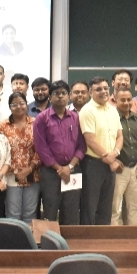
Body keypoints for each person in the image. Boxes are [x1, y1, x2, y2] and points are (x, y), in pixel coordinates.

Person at [33, 80, 85, 225]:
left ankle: (70, 240)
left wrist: (69, 167)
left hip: (73, 170)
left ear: (68, 96)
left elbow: (82, 146)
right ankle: (49, 239)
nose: (60, 96)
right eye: (56, 93)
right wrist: (59, 169)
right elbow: (41, 148)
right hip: (51, 172)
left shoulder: (76, 118)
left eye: (63, 93)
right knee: (50, 211)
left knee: (72, 212)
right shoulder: (41, 118)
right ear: (50, 97)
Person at [79, 76, 124, 225]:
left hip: (110, 164)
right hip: (93, 164)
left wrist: (115, 154)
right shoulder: (87, 110)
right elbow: (90, 140)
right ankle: (87, 238)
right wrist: (110, 159)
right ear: (90, 92)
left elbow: (120, 136)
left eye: (105, 88)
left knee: (106, 207)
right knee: (90, 207)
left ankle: (102, 238)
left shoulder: (113, 110)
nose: (103, 91)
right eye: (98, 89)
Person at [0, 93, 41, 225]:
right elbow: (0, 151)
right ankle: (13, 238)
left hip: (33, 174)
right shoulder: (2, 126)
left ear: (27, 104)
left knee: (30, 213)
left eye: (22, 103)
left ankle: (29, 238)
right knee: (13, 214)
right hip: (11, 175)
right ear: (9, 107)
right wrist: (15, 170)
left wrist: (30, 168)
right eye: (14, 104)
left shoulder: (36, 123)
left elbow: (42, 148)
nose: (19, 107)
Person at [112, 88, 137, 226]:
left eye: (129, 100)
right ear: (115, 100)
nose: (126, 103)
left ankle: (135, 237)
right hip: (118, 169)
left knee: (136, 206)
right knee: (115, 207)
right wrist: (113, 160)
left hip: (135, 168)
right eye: (122, 100)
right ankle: (115, 237)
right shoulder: (111, 118)